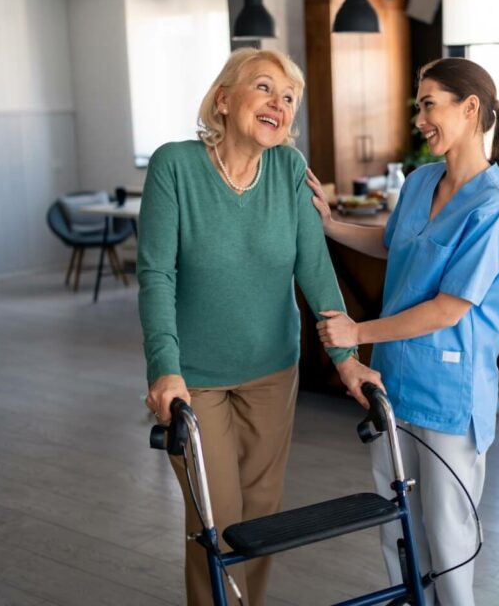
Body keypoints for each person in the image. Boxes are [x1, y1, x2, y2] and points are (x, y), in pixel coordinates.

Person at [138, 47, 381, 606]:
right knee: (216, 520)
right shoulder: (174, 166)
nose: (279, 103)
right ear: (224, 99)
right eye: (265, 88)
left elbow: (314, 267)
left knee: (262, 517)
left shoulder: (289, 170)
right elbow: (155, 275)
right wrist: (164, 370)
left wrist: (347, 360)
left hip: (273, 369)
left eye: (289, 97)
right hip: (195, 378)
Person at [306, 57, 499, 605]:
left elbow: (448, 310)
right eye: (419, 105)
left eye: (430, 104)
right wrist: (332, 224)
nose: (420, 118)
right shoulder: (422, 179)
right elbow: (393, 242)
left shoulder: (495, 208)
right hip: (394, 384)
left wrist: (357, 331)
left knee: (449, 545)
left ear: (470, 108)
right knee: (397, 533)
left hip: (450, 396)